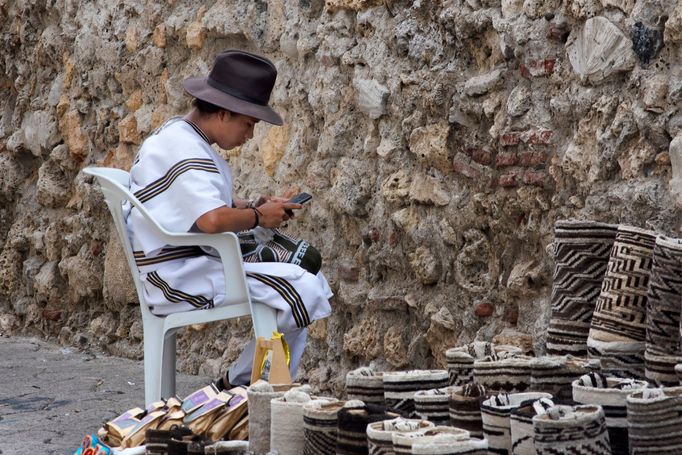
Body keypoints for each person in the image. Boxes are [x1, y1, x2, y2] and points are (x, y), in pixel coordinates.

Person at [126, 49, 332, 387]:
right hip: (177, 277)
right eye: (248, 124)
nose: (250, 135)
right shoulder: (183, 147)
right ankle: (248, 390)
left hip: (192, 265)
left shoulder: (181, 137)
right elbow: (209, 220)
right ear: (224, 113)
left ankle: (238, 386)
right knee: (304, 288)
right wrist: (256, 217)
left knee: (309, 277)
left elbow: (195, 204)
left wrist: (255, 203)